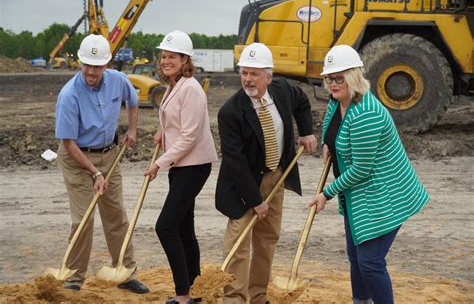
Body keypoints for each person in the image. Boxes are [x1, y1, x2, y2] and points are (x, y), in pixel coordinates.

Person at [308, 45, 430, 304]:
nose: (332, 83)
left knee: (370, 262)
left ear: (354, 75)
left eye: (339, 77)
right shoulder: (338, 100)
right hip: (359, 195)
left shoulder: (367, 114)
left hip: (385, 193)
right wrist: (327, 143)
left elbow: (362, 170)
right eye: (329, 78)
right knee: (355, 257)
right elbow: (332, 125)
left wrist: (326, 194)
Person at [215, 42, 317, 304]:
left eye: (254, 74)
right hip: (242, 186)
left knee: (267, 239)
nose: (247, 79)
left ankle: (258, 295)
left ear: (268, 77)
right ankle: (235, 297)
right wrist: (255, 202)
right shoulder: (230, 112)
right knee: (238, 243)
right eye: (244, 73)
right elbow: (234, 163)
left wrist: (306, 131)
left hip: (275, 177)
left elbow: (303, 101)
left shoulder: (282, 91)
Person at [55, 34, 149, 293]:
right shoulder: (69, 96)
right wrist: (95, 172)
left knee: (116, 215)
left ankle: (125, 271)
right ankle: (74, 277)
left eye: (97, 66)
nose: (91, 71)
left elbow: (133, 101)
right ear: (80, 63)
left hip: (110, 154)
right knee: (83, 219)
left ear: (106, 65)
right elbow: (68, 144)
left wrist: (132, 129)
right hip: (77, 159)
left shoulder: (118, 81)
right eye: (86, 65)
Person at [144, 30, 218, 304]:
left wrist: (159, 164)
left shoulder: (191, 89)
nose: (165, 61)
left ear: (185, 59)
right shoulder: (173, 86)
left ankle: (183, 294)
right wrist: (163, 132)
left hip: (193, 166)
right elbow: (176, 124)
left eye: (171, 56)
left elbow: (190, 135)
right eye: (163, 56)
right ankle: (196, 287)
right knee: (184, 229)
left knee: (165, 227)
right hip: (181, 165)